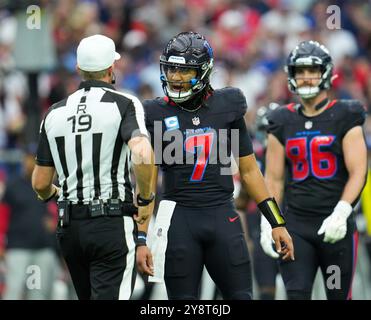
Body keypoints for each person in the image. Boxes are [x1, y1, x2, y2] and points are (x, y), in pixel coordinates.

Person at [137, 31, 294, 300]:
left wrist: (275, 223)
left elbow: (249, 170)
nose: (174, 77)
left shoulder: (227, 105)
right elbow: (147, 184)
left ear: (204, 71)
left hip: (222, 214)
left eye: (184, 71)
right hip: (178, 220)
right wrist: (141, 237)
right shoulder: (154, 113)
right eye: (171, 68)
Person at [31, 34, 155, 300]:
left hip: (70, 228)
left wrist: (58, 195)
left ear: (79, 69)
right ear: (112, 69)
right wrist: (145, 198)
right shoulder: (124, 103)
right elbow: (143, 154)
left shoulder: (54, 112)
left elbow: (40, 183)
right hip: (110, 222)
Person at [262, 40, 367, 300]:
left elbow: (359, 172)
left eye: (313, 70)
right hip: (296, 226)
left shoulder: (345, 113)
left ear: (327, 73)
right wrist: (270, 223)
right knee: (296, 294)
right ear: (291, 74)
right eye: (300, 71)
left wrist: (342, 212)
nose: (306, 77)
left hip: (335, 225)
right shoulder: (281, 120)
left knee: (337, 295)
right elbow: (273, 179)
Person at [0, 144, 58, 299]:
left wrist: (55, 223)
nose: (31, 162)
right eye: (29, 158)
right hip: (18, 248)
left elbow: (58, 213)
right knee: (13, 292)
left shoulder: (50, 186)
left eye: (35, 158)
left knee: (37, 294)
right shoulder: (13, 185)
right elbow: (3, 217)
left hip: (43, 248)